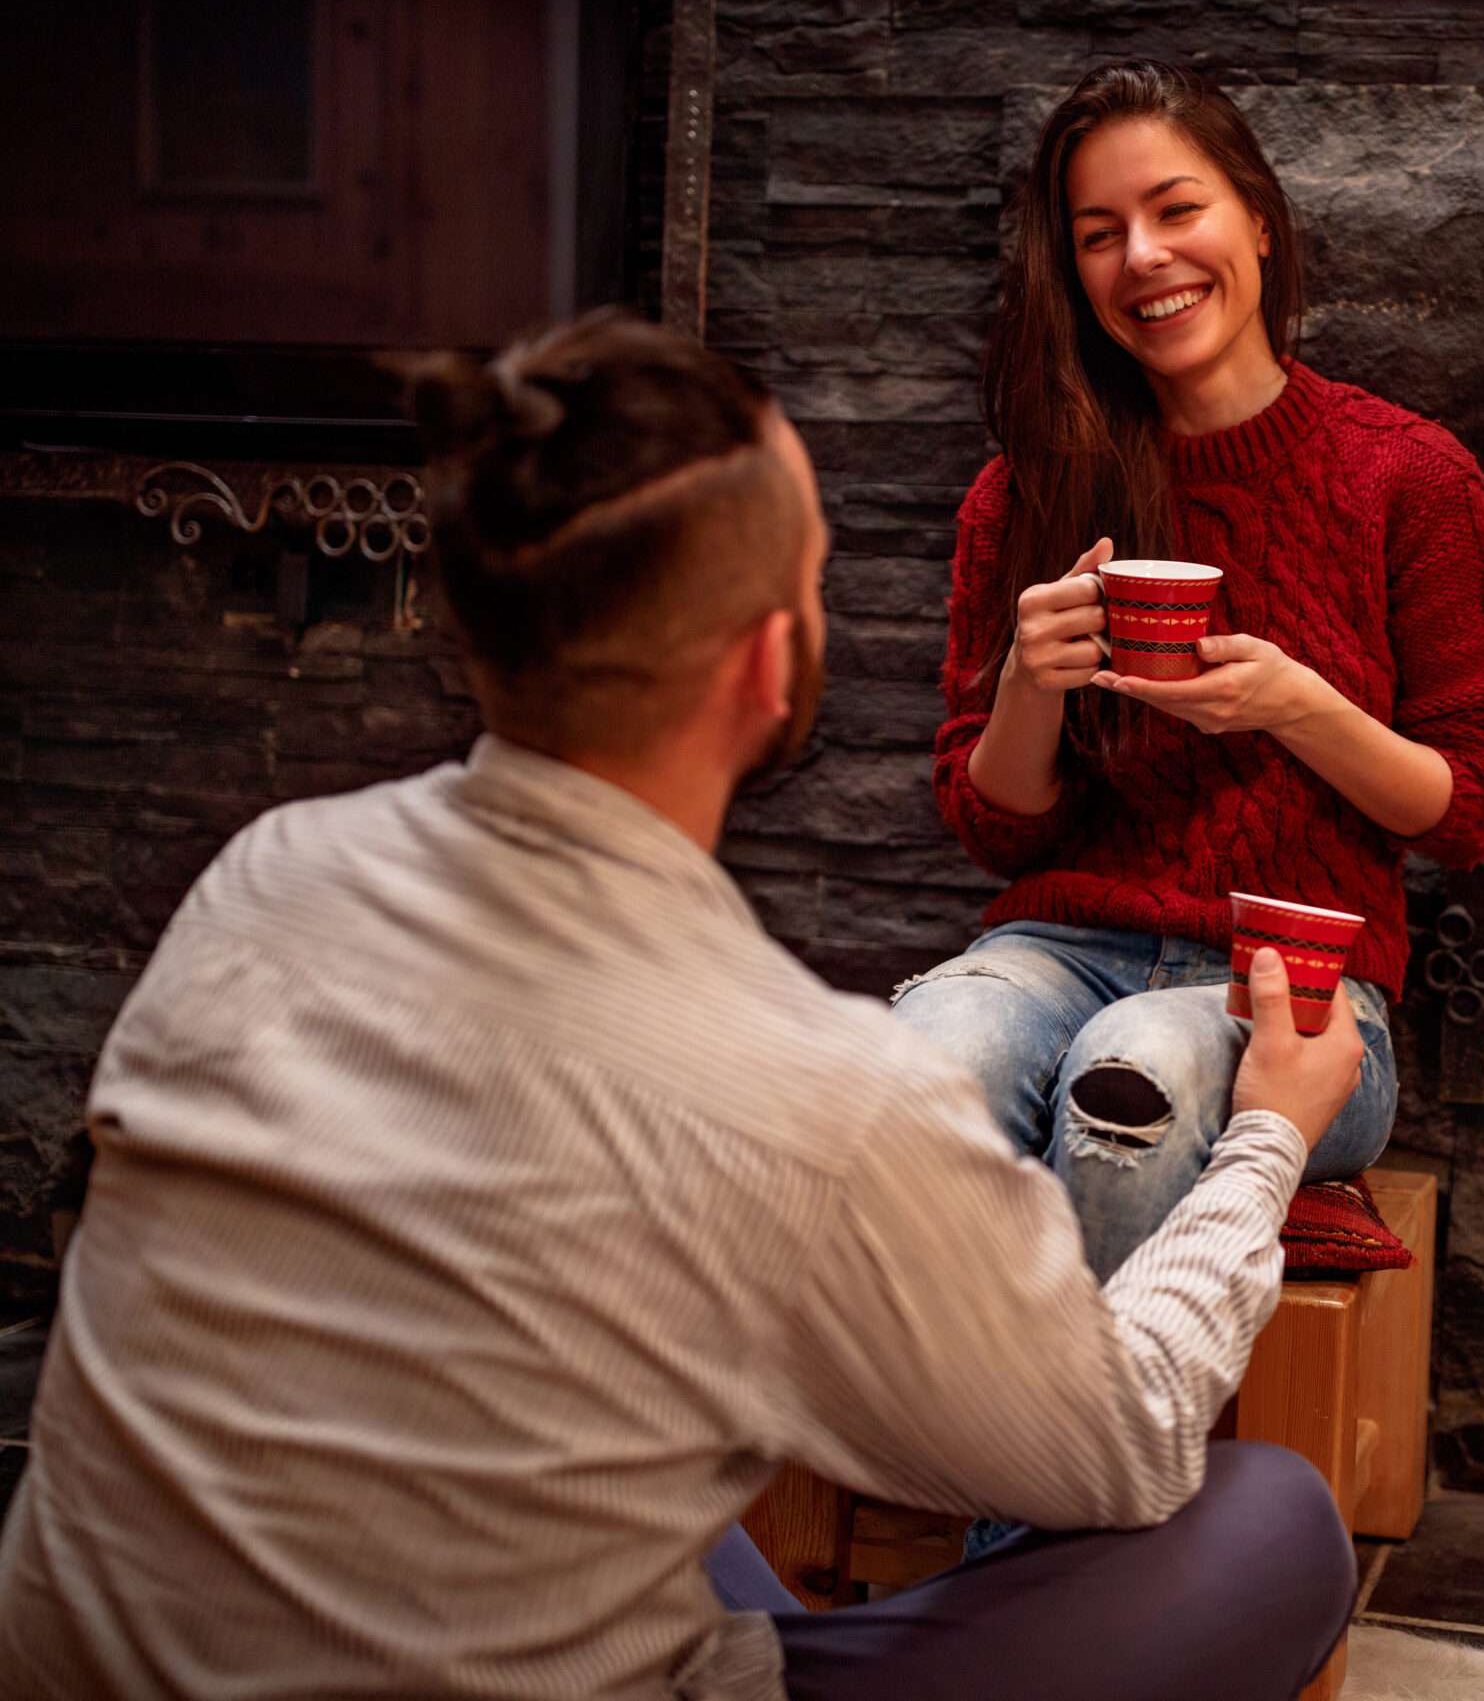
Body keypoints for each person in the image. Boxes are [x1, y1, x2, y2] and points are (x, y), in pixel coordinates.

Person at [0, 313, 1362, 1701]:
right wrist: (1264, 1136)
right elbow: (1122, 1440)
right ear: (772, 664)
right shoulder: (813, 1097)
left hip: (90, 1665)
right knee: (1275, 1519)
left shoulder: (262, 875)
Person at [894, 58, 1484, 1283]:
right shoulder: (1025, 492)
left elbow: (1474, 807)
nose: (1143, 257)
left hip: (1300, 995)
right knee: (932, 1056)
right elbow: (995, 830)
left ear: (1255, 217)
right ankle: (934, 1437)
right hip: (1058, 947)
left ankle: (1087, 1457)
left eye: (1176, 209)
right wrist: (1032, 683)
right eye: (1099, 234)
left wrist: (1297, 706)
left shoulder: (1407, 479)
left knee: (1129, 1073)